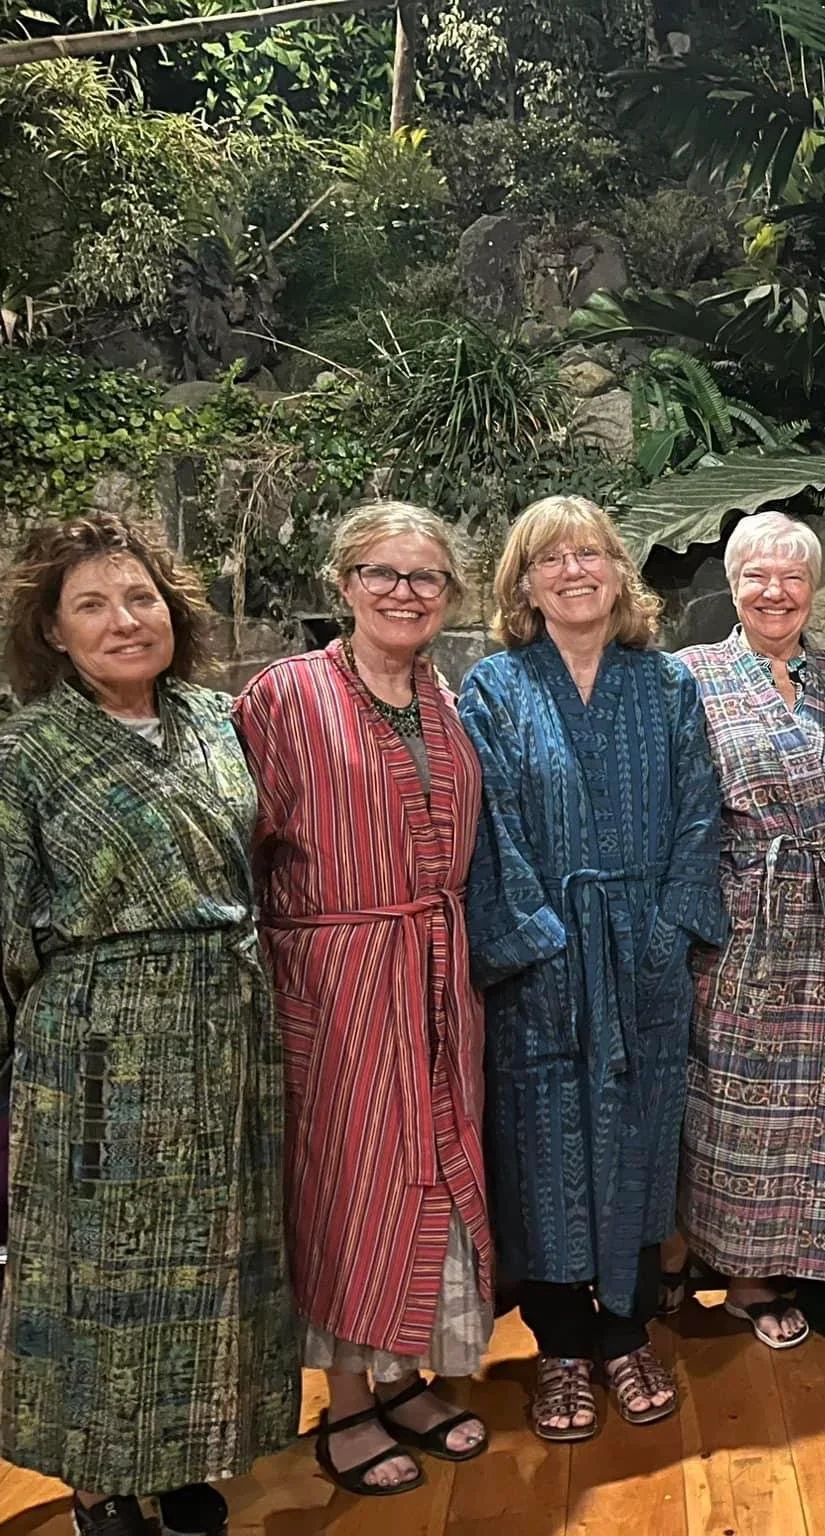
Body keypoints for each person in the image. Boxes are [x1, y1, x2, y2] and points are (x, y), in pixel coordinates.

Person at [0, 513, 296, 1536]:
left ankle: (184, 1453)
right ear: (51, 631)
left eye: (141, 598)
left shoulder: (219, 721)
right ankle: (97, 1478)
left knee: (208, 1263)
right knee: (101, 1272)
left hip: (226, 1033)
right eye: (91, 604)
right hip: (98, 1052)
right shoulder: (26, 751)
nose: (125, 621)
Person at [234, 502, 492, 1496]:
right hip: (335, 989)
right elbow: (237, 849)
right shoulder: (282, 698)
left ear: (448, 598)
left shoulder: (446, 699)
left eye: (425, 578)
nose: (403, 592)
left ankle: (408, 1377)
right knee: (349, 1189)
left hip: (435, 973)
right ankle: (345, 1410)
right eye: (382, 573)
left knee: (434, 1168)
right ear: (343, 585)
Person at [460, 495, 726, 1441]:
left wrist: (666, 930)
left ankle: (626, 1335)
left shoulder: (665, 689)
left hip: (643, 950)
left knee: (641, 1137)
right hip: (542, 959)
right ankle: (561, 1347)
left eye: (591, 554)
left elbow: (701, 810)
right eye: (550, 559)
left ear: (619, 573)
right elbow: (485, 823)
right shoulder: (493, 688)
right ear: (523, 584)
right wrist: (533, 936)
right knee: (542, 1147)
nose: (574, 571)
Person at [675, 511, 825, 1351]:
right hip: (741, 917)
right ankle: (715, 1266)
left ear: (813, 588)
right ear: (731, 582)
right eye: (757, 573)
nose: (774, 590)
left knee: (811, 1099)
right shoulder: (691, 675)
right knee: (724, 1099)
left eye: (792, 576)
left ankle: (777, 1267)